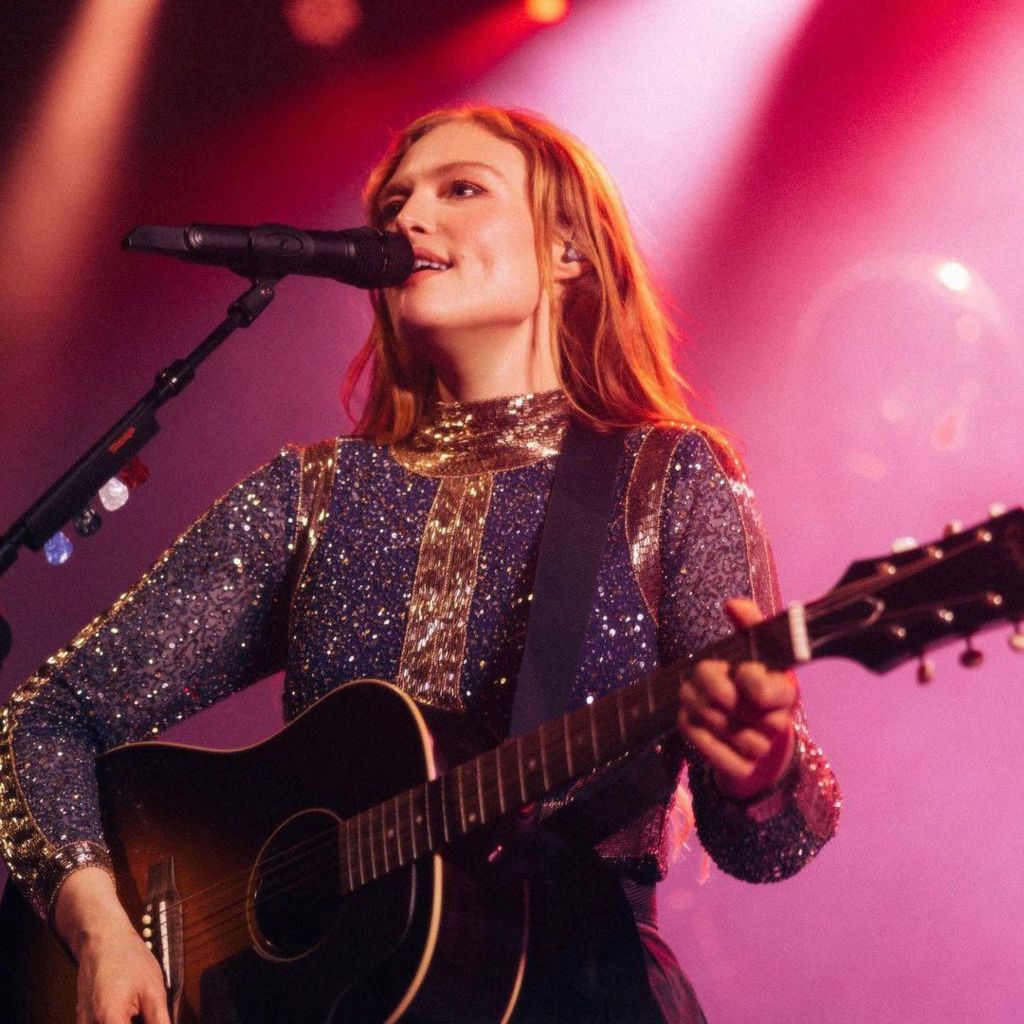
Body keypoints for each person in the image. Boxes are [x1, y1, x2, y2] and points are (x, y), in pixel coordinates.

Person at [0, 106, 841, 1024]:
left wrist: (762, 771)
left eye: (461, 190)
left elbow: (773, 848)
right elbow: (48, 717)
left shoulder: (667, 477)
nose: (406, 220)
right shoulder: (312, 492)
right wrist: (100, 930)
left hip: (577, 991)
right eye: (394, 201)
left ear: (569, 252)